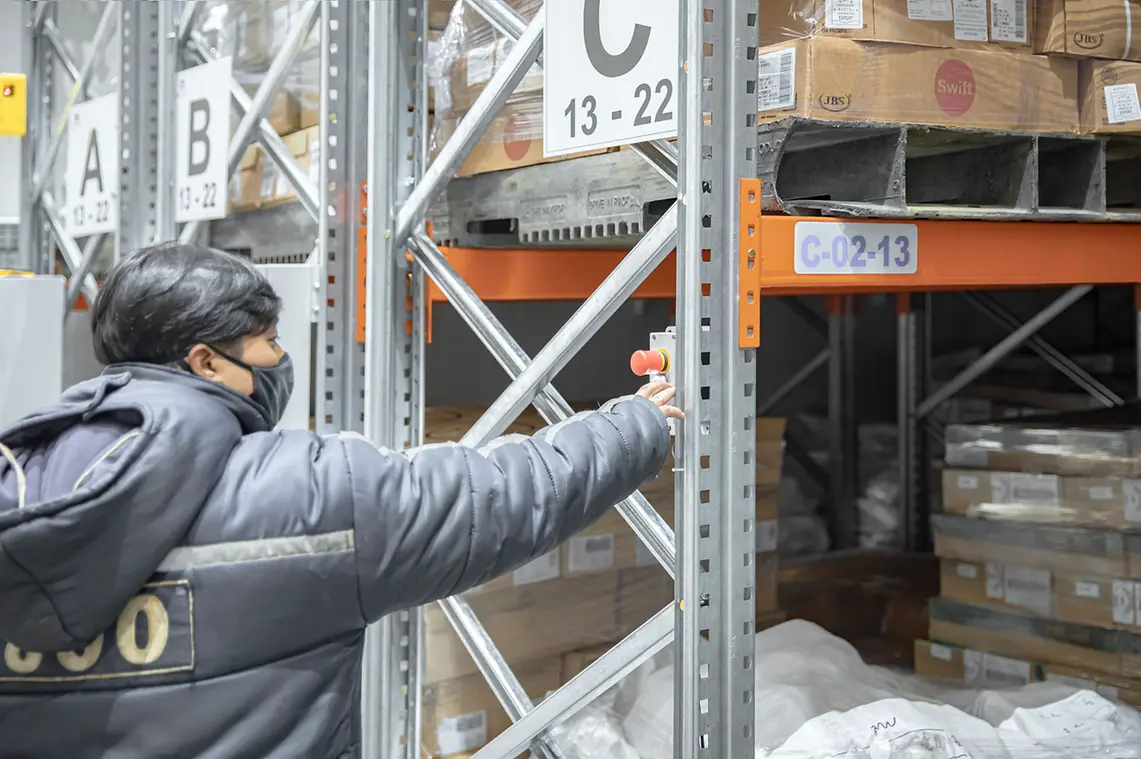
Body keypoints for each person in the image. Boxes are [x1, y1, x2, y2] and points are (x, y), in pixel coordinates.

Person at [0, 243, 682, 758]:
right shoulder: (304, 492)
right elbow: (501, 496)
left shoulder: (15, 482)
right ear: (205, 362)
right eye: (268, 342)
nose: (280, 358)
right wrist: (640, 422)